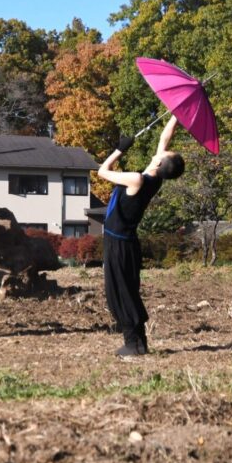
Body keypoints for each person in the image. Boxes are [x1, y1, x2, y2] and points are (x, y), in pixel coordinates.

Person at [97, 115, 185, 357]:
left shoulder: (136, 180)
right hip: (126, 242)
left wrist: (119, 150)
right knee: (127, 290)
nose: (161, 151)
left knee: (120, 292)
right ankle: (139, 343)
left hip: (118, 244)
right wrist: (176, 114)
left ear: (159, 163)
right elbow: (164, 140)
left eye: (164, 154)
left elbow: (102, 172)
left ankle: (133, 344)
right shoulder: (154, 178)